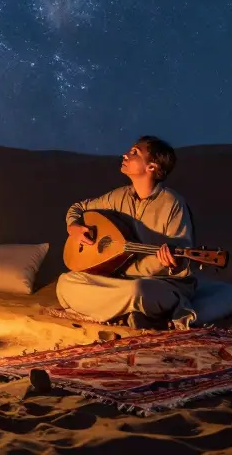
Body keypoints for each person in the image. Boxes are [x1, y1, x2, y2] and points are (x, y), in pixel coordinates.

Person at [56, 135, 198, 329]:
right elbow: (78, 208)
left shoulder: (173, 203)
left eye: (134, 153)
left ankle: (117, 312)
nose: (125, 155)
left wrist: (173, 262)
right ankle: (131, 314)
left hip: (161, 283)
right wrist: (73, 226)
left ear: (152, 167)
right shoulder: (118, 197)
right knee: (66, 283)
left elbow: (185, 255)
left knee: (139, 291)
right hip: (119, 279)